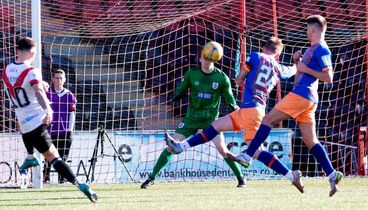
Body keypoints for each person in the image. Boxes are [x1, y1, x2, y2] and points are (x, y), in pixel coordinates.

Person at [167, 37, 304, 193]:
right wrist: (296, 62)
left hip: (250, 110)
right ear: (277, 54)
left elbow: (239, 80)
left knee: (255, 150)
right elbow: (292, 70)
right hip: (254, 110)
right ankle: (181, 146)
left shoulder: (255, 56)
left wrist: (240, 79)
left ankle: (290, 175)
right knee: (216, 127)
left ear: (264, 47)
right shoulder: (279, 68)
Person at [229, 15, 343, 197]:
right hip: (310, 99)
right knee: (310, 140)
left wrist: (305, 69)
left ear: (313, 30)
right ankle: (331, 174)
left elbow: (328, 77)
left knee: (268, 120)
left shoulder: (322, 49)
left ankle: (247, 155)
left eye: (307, 29)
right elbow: (300, 73)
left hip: (302, 95)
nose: (306, 32)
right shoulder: (310, 50)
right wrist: (298, 63)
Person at [2, 37, 97, 202]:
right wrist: (49, 109)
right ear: (33, 52)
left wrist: (40, 83)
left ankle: (30, 157)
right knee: (54, 158)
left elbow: (22, 85)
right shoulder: (32, 71)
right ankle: (80, 184)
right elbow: (38, 92)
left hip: (23, 123)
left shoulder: (7, 70)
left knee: (39, 147)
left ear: (17, 51)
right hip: (37, 123)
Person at [141, 42, 245, 189]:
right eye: (205, 59)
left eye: (210, 60)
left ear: (215, 60)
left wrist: (235, 108)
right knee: (172, 146)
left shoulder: (222, 78)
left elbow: (230, 100)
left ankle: (241, 179)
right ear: (201, 59)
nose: (206, 62)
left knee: (222, 149)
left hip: (211, 120)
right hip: (191, 118)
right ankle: (151, 178)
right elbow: (181, 90)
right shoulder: (191, 74)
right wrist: (175, 97)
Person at [43, 69, 77, 184]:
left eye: (61, 78)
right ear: (53, 79)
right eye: (57, 78)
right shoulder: (47, 94)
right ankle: (45, 178)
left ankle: (61, 180)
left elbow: (71, 114)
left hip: (64, 132)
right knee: (48, 157)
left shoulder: (69, 95)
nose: (59, 80)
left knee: (62, 158)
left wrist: (70, 129)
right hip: (49, 131)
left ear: (65, 80)